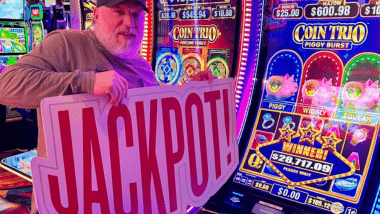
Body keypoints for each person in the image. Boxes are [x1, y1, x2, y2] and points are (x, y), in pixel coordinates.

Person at [0, 0, 213, 212]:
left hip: (127, 200)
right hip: (70, 203)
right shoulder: (67, 44)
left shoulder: (144, 68)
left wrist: (187, 95)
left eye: (136, 14)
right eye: (118, 11)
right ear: (97, 16)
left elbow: (154, 132)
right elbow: (6, 85)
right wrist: (87, 82)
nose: (129, 22)